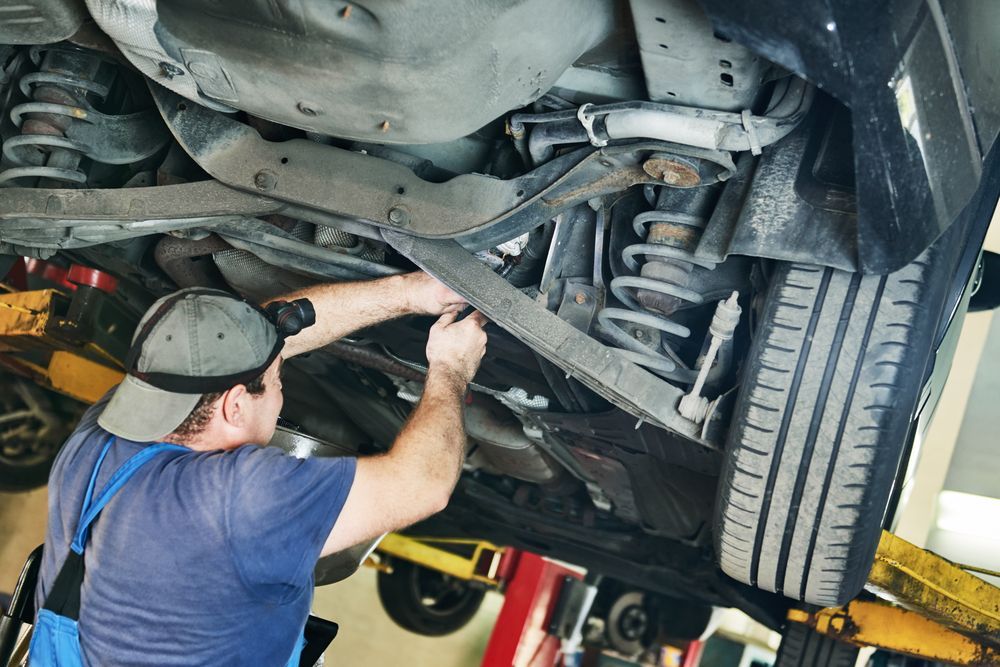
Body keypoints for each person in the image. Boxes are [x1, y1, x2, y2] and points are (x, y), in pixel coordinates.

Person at [32, 271, 488, 666]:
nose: (280, 393)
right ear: (233, 405)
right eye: (276, 383)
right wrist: (451, 366)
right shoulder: (240, 498)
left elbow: (254, 336)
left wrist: (412, 292)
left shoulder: (101, 435)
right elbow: (422, 484)